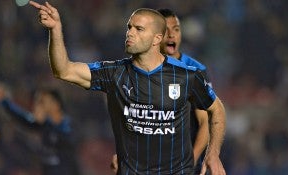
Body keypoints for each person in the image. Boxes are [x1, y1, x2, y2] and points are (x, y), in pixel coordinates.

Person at [29, 1, 226, 174]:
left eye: (139, 29)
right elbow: (63, 71)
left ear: (157, 39)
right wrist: (55, 30)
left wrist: (213, 154)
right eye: (129, 27)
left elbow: (216, 109)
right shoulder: (114, 73)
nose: (130, 33)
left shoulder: (186, 76)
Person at [110, 8, 211, 174]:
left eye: (176, 29)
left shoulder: (194, 71)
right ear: (155, 36)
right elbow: (139, 120)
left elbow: (205, 122)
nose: (172, 35)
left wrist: (190, 163)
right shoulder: (139, 68)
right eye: (167, 30)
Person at [0, 83, 79, 175]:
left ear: (56, 104)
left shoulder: (68, 124)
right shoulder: (44, 124)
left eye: (43, 102)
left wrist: (48, 123)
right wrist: (4, 101)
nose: (39, 106)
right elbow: (23, 118)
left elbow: (68, 139)